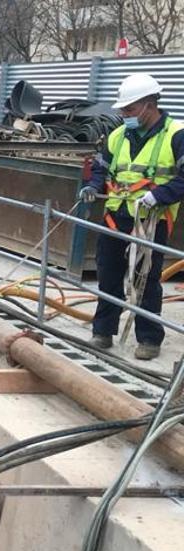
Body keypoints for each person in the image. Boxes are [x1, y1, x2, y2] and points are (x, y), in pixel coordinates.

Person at [79, 73, 184, 361]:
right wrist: (93, 186)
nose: (125, 115)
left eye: (129, 109)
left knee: (146, 279)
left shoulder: (176, 134)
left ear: (149, 105)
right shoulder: (117, 135)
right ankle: (103, 331)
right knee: (108, 275)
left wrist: (159, 196)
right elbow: (101, 168)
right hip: (116, 215)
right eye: (123, 110)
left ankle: (149, 338)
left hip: (151, 219)